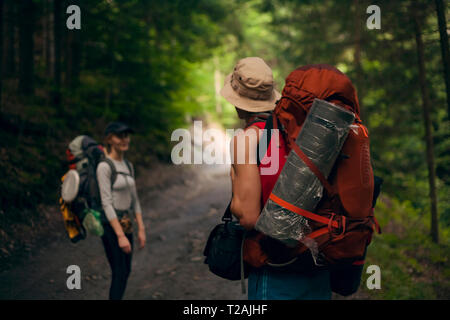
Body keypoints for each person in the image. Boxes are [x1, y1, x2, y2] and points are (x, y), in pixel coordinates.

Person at [220, 57, 332, 300]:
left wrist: (235, 202)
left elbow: (249, 218)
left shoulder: (247, 139)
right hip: (318, 262)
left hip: (275, 266)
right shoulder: (301, 132)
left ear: (238, 102)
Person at [96, 121, 146, 300]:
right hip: (111, 225)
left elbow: (135, 201)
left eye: (127, 135)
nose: (125, 139)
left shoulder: (128, 165)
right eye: (120, 136)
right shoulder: (104, 167)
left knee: (126, 270)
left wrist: (140, 228)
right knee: (119, 270)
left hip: (127, 223)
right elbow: (106, 203)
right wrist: (120, 236)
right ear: (110, 139)